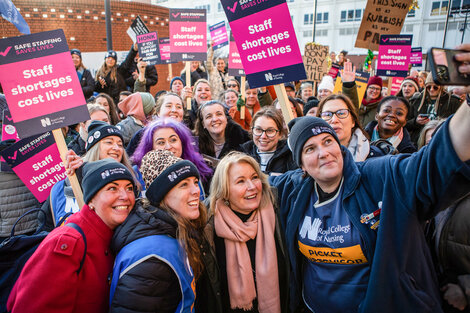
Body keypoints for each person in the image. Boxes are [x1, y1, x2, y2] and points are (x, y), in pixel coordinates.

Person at [270, 77, 470, 313]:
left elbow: (435, 162)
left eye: (327, 141)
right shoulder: (295, 189)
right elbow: (249, 180)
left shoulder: (382, 176)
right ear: (301, 165)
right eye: (310, 149)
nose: (324, 153)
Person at [8, 159, 136, 313]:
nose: (125, 196)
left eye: (129, 188)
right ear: (91, 200)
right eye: (112, 188)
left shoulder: (117, 233)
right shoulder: (68, 242)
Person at [109, 150, 206, 313]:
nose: (196, 190)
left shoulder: (175, 231)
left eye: (195, 182)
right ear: (162, 195)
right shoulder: (152, 258)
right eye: (184, 184)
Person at [200, 152, 289, 312]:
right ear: (224, 190)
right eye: (240, 181)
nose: (252, 186)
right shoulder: (208, 225)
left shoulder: (277, 209)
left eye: (254, 177)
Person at [43, 121, 135, 229]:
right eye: (109, 142)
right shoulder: (67, 183)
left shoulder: (132, 181)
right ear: (94, 147)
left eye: (120, 144)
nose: (116, 148)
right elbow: (46, 226)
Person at [131, 118, 212, 197]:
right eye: (161, 142)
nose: (168, 147)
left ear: (182, 143)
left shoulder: (194, 167)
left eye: (173, 140)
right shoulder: (136, 174)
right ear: (150, 147)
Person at [317, 94, 384, 161]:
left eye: (341, 113)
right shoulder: (311, 158)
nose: (334, 120)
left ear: (353, 121)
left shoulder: (376, 157)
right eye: (327, 115)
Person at [407, 74, 462, 144]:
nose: (431, 89)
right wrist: (416, 122)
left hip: (442, 140)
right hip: (418, 141)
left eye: (435, 87)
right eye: (428, 87)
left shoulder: (452, 101)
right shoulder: (416, 100)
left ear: (441, 87)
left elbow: (459, 124)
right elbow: (405, 124)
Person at [242, 107, 297, 176]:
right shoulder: (243, 154)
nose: (263, 136)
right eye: (258, 129)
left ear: (280, 134)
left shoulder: (291, 155)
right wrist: (271, 175)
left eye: (270, 131)